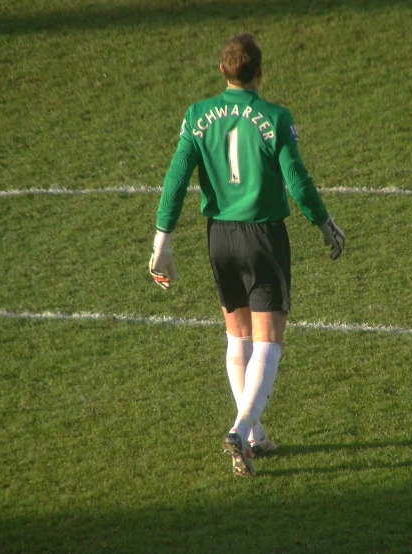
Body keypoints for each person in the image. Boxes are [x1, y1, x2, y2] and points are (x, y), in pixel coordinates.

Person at [149, 33, 344, 477]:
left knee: (237, 337)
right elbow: (296, 179)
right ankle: (240, 429)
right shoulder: (275, 116)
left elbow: (177, 176)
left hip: (219, 237)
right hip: (263, 238)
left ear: (222, 71)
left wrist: (162, 240)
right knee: (269, 340)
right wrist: (325, 223)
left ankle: (254, 437)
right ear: (260, 72)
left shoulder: (198, 116)